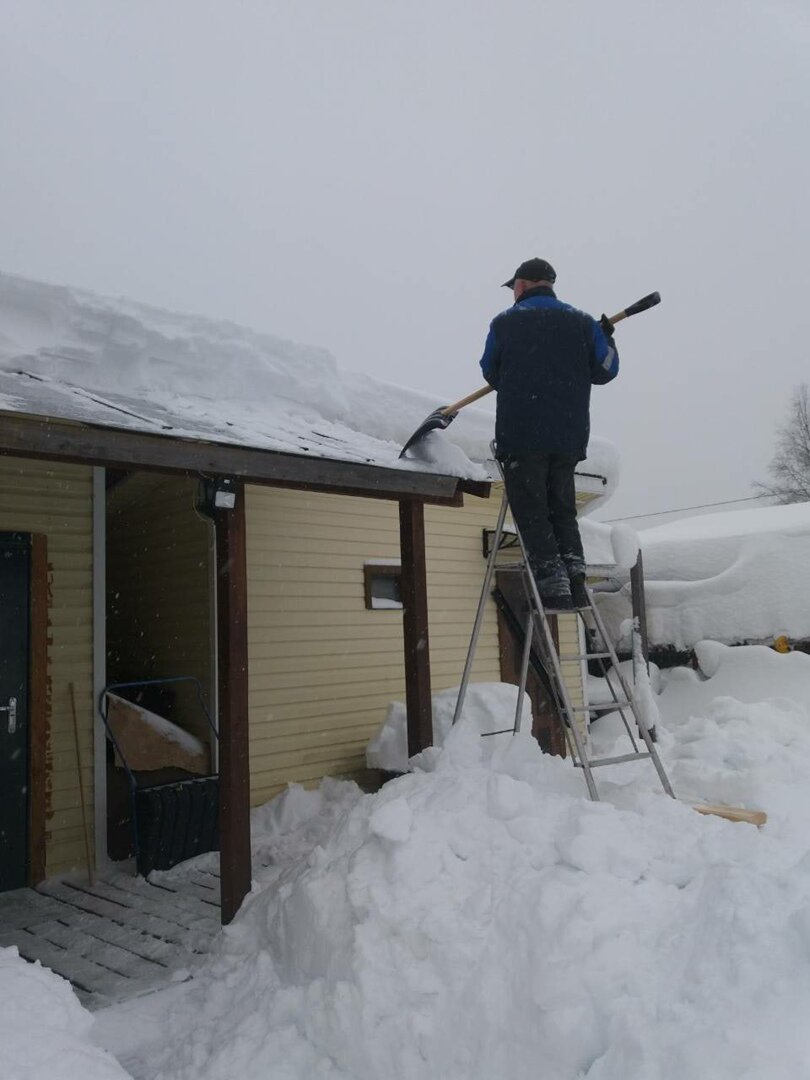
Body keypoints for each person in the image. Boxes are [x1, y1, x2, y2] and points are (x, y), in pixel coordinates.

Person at [479, 257, 619, 610]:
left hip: (522, 434)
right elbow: (605, 370)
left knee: (531, 510)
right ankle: (574, 576)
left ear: (523, 285)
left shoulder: (505, 323)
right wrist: (606, 339)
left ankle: (551, 581)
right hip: (568, 437)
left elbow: (490, 372)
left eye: (513, 287)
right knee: (562, 509)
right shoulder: (584, 323)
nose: (513, 293)